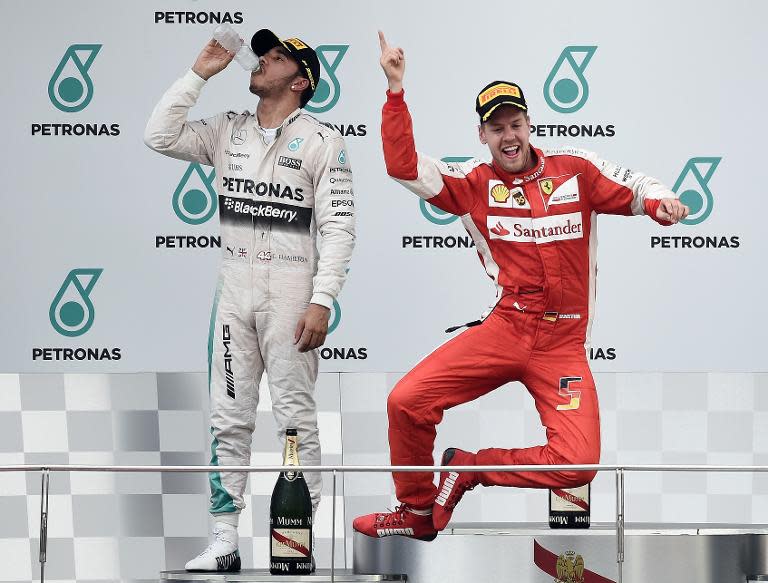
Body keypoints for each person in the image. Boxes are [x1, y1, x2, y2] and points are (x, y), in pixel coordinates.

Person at [352, 32, 688, 542]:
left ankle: (468, 469)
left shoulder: (574, 169)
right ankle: (416, 511)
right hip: (507, 328)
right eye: (495, 128)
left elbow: (638, 187)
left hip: (562, 345)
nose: (508, 136)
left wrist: (662, 202)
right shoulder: (471, 181)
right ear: (482, 135)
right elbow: (404, 167)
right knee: (406, 401)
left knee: (577, 466)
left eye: (515, 124)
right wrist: (395, 90)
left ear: (530, 125)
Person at [145, 29, 355, 571]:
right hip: (234, 291)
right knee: (227, 416)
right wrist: (199, 74)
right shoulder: (227, 130)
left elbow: (338, 229)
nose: (261, 61)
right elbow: (159, 136)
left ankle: (296, 540)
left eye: (277, 57)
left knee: (294, 418)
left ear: (302, 81)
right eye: (263, 53)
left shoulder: (322, 140)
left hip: (291, 294)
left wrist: (322, 298)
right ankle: (223, 539)